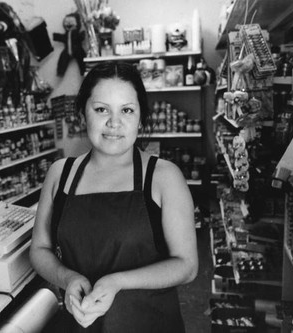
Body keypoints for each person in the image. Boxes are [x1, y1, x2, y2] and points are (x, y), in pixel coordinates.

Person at [30, 61, 198, 332]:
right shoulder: (61, 174)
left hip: (148, 323)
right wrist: (68, 278)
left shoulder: (164, 177)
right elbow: (39, 250)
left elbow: (186, 265)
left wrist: (117, 281)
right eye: (101, 109)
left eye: (127, 110)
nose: (114, 123)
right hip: (81, 324)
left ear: (141, 117)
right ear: (83, 114)